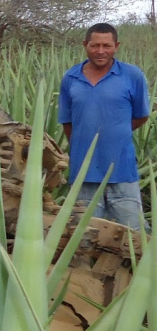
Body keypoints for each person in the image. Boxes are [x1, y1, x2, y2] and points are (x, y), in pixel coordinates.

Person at [59, 23, 150, 231]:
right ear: (85, 45)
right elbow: (67, 122)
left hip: (122, 169)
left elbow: (141, 116)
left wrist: (115, 133)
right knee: (83, 236)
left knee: (135, 233)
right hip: (83, 172)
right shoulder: (70, 78)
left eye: (107, 46)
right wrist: (82, 146)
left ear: (116, 46)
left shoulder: (132, 76)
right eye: (95, 45)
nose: (101, 51)